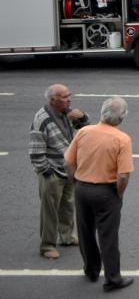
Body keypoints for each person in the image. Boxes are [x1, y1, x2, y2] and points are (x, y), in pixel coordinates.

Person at [63, 96, 134, 292]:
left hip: (82, 188)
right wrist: (118, 195)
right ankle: (112, 278)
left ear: (102, 112)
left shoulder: (84, 132)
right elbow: (123, 176)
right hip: (106, 191)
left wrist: (76, 182)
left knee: (85, 233)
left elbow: (68, 162)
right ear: (122, 117)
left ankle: (91, 269)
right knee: (108, 237)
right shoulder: (122, 139)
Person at [29, 83, 89, 259]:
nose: (69, 99)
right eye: (64, 97)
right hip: (52, 172)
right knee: (50, 210)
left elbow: (86, 129)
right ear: (53, 100)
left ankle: (67, 236)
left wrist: (83, 116)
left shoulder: (67, 113)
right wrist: (48, 173)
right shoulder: (41, 120)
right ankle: (47, 245)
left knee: (68, 205)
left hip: (68, 169)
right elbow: (35, 152)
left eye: (69, 95)